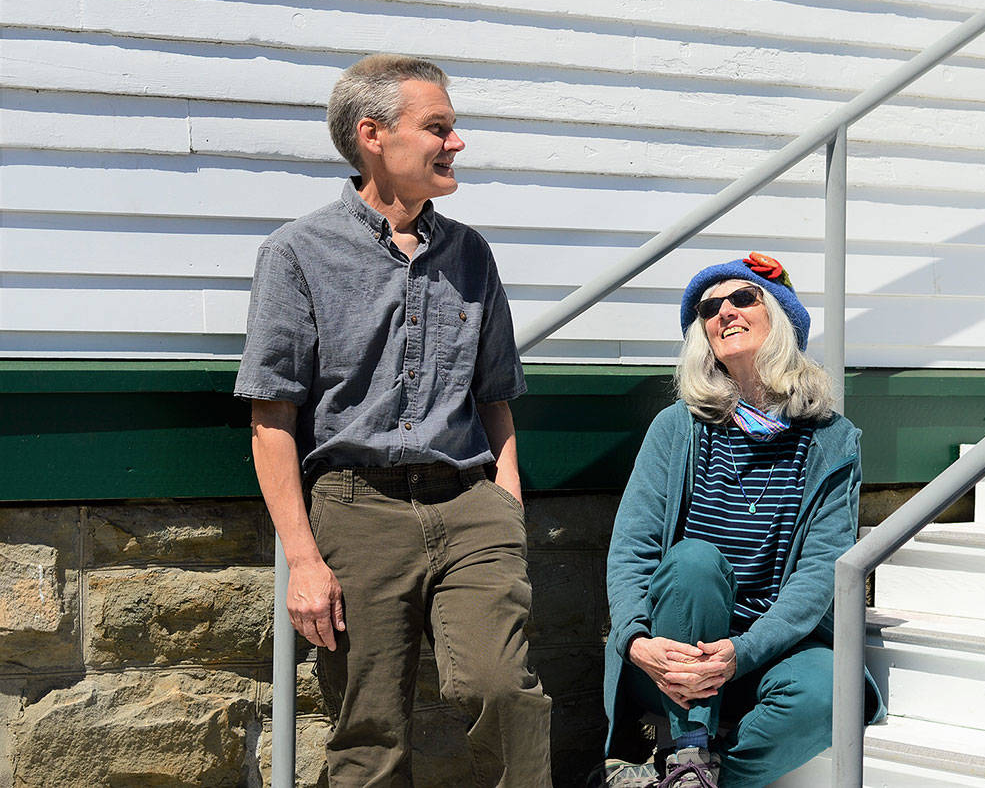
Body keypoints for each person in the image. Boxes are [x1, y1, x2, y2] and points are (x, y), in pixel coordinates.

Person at [234, 54, 551, 787]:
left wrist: (506, 502)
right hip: (356, 511)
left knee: (501, 690)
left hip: (470, 504)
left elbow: (495, 392)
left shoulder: (471, 253)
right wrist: (305, 558)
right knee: (369, 731)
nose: (456, 142)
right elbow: (271, 415)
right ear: (373, 135)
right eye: (438, 127)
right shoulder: (296, 253)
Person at [600, 253, 885, 788]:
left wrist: (743, 653)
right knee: (693, 562)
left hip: (770, 651)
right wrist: (637, 641)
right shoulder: (676, 427)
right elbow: (631, 548)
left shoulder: (830, 438)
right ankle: (688, 748)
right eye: (709, 308)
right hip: (673, 655)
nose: (724, 312)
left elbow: (821, 571)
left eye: (743, 298)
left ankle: (701, 780)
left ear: (780, 317)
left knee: (830, 694)